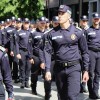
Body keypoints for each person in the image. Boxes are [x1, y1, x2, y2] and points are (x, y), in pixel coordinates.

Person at [44, 5, 89, 100]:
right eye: (59, 13)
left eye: (62, 13)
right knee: (62, 97)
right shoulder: (52, 33)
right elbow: (47, 51)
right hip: (59, 69)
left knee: (72, 97)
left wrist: (86, 70)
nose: (59, 16)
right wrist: (47, 70)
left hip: (74, 68)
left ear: (69, 16)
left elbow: (84, 52)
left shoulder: (78, 32)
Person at [85, 13, 100, 99]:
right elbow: (84, 44)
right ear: (92, 19)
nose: (96, 20)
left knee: (98, 73)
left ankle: (96, 92)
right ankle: (91, 92)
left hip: (99, 53)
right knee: (90, 73)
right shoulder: (88, 31)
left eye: (97, 19)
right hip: (91, 52)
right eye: (95, 18)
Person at [16, 18, 31, 88]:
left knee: (28, 67)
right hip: (22, 51)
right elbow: (17, 44)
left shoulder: (31, 32)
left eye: (27, 23)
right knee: (22, 67)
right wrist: (18, 53)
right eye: (25, 23)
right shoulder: (19, 32)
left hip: (29, 52)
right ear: (23, 23)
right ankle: (22, 82)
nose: (26, 24)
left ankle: (26, 81)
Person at [79, 15, 89, 93]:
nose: (84, 22)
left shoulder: (89, 30)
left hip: (87, 53)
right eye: (83, 21)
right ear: (80, 21)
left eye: (85, 21)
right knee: (78, 69)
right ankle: (79, 85)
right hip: (79, 53)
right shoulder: (79, 30)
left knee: (85, 69)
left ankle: (83, 85)